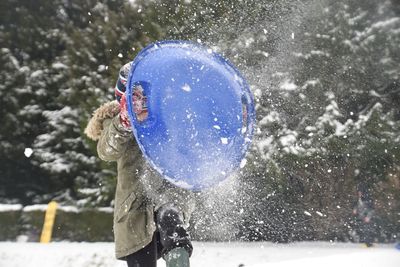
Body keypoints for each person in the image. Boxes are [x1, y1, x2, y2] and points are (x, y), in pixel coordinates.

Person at [85, 62, 195, 267]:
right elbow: (106, 150)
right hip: (134, 205)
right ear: (125, 99)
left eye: (146, 98)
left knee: (173, 226)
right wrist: (125, 122)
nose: (141, 103)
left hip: (167, 193)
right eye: (135, 98)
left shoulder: (167, 117)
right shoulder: (115, 121)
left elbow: (187, 149)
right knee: (141, 259)